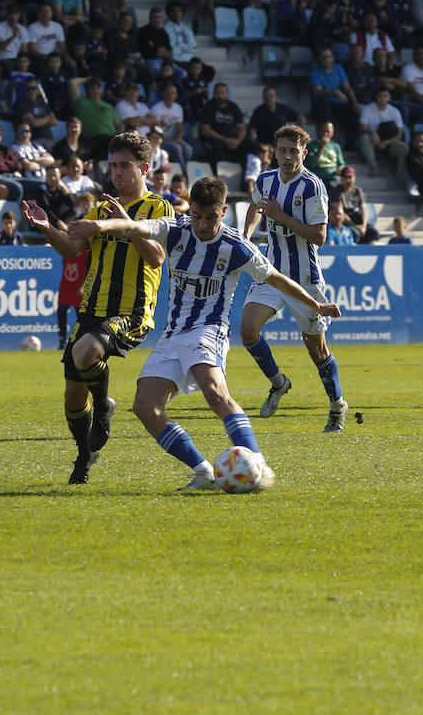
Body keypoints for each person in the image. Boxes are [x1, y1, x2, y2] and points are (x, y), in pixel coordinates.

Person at [66, 176, 341, 490]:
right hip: (173, 334)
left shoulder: (235, 246)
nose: (202, 223)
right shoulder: (178, 228)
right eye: (197, 215)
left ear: (223, 211)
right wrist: (100, 226)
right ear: (191, 209)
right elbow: (138, 229)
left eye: (210, 217)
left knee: (215, 391)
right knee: (145, 406)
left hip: (209, 331)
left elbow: (277, 279)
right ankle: (204, 472)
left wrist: (316, 306)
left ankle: (257, 462)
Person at [21, 133, 174, 485]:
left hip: (131, 311)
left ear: (144, 169)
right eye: (114, 166)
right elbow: (70, 249)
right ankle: (84, 456)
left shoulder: (158, 208)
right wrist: (47, 227)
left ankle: (104, 405)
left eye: (125, 166)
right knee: (73, 397)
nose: (117, 172)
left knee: (86, 352)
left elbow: (157, 257)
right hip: (91, 309)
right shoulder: (101, 208)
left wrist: (123, 223)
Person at [238, 124, 349, 433]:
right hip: (271, 271)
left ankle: (337, 405)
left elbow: (320, 236)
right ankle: (279, 383)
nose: (287, 157)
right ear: (275, 151)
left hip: (305, 279)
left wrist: (280, 216)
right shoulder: (265, 180)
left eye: (293, 151)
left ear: (304, 152)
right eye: (282, 150)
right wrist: (246, 237)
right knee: (247, 329)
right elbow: (256, 208)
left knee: (317, 351)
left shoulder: (313, 186)